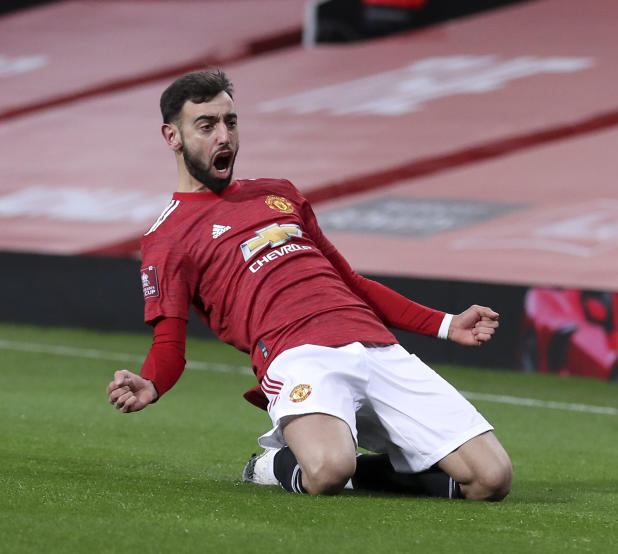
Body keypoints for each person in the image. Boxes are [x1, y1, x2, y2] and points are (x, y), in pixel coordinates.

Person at [106, 70, 513, 501]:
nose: (223, 136)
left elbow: (350, 282)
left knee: (491, 478)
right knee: (327, 471)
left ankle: (373, 470)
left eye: (231, 122)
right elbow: (170, 341)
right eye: (206, 126)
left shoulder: (279, 193)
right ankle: (271, 464)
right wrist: (152, 384)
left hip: (375, 346)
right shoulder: (166, 238)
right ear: (173, 137)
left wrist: (448, 325)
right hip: (297, 355)